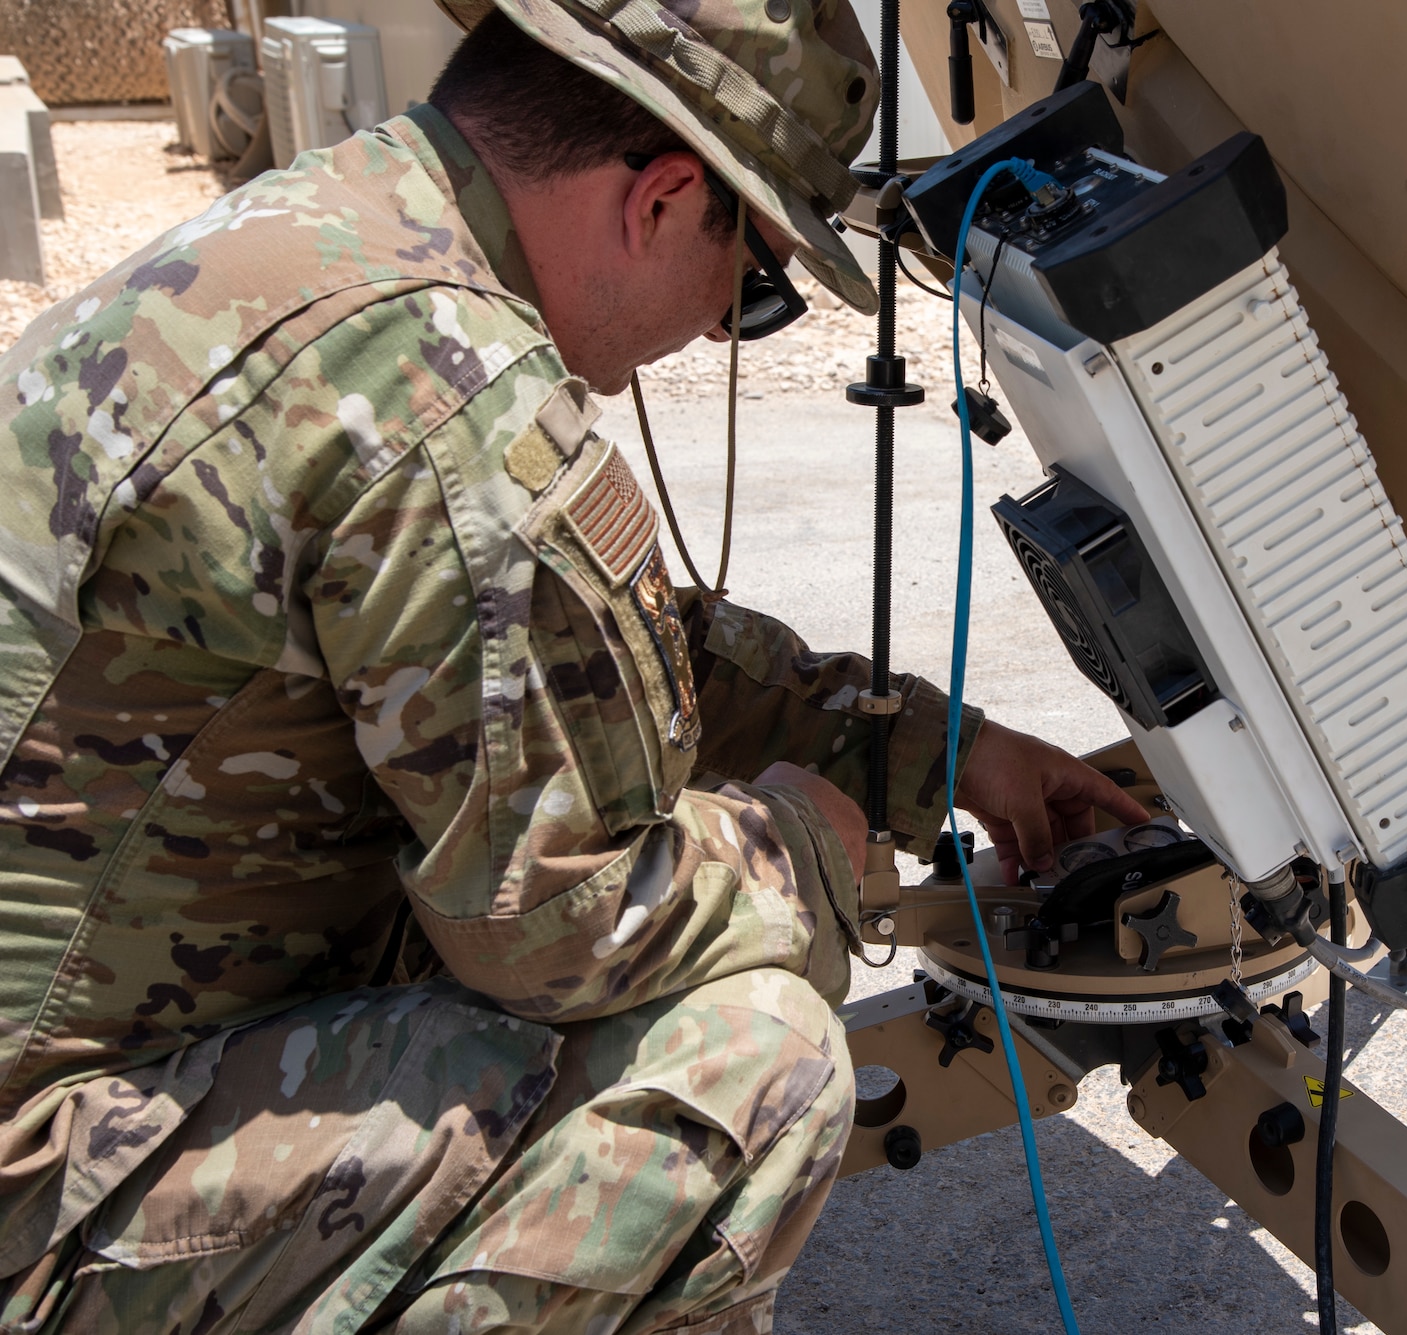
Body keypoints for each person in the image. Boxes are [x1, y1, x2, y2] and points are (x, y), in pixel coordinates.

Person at [0, 0, 1148, 1329]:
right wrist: (808, 846)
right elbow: (562, 927)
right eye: (755, 278)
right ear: (660, 200)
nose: (724, 328)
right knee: (752, 1066)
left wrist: (929, 750)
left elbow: (598, 659)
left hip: (90, 1068)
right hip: (50, 1190)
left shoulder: (341, 237)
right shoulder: (443, 390)